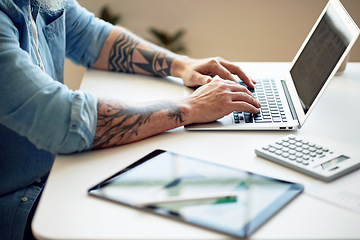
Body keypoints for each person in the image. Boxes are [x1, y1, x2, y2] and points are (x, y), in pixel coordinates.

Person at [0, 0, 260, 239]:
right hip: (19, 200)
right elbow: (61, 119)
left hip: (60, 169)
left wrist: (182, 65)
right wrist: (191, 107)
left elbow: (93, 37)